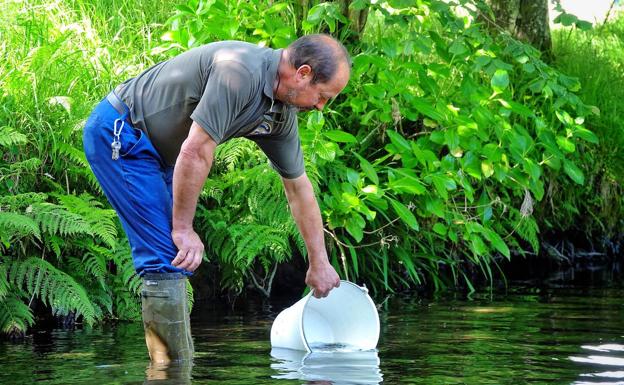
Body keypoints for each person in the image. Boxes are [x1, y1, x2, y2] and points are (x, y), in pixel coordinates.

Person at [82, 34, 350, 364]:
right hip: (122, 134)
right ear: (303, 73)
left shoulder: (279, 115)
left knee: (173, 256)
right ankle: (170, 371)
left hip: (160, 156)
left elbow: (299, 189)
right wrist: (182, 228)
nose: (321, 106)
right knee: (168, 256)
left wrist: (319, 262)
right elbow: (195, 151)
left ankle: (174, 367)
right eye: (323, 96)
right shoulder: (238, 72)